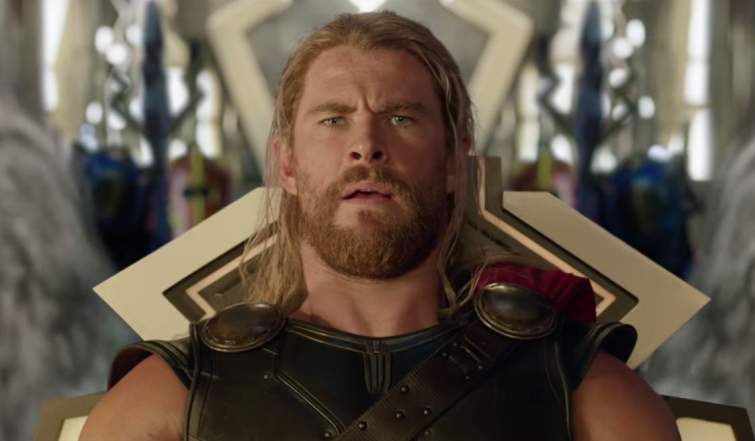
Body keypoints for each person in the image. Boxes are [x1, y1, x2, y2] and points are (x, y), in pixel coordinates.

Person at [81, 11, 679, 441]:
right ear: (287, 165)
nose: (366, 145)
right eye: (333, 120)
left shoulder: (583, 392)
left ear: (455, 160)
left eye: (400, 117)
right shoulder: (168, 400)